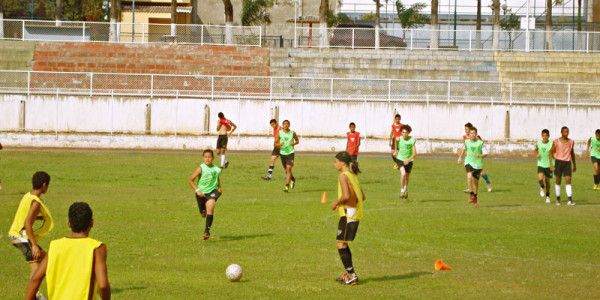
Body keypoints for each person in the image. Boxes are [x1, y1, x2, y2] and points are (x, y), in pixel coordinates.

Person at [25, 202, 111, 300]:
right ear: (91, 223)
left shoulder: (55, 246)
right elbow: (103, 286)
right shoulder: (96, 248)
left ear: (69, 223)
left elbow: (35, 279)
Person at [8, 171, 53, 300]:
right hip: (20, 237)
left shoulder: (28, 195)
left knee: (47, 259)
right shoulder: (36, 202)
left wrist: (38, 217)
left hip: (20, 236)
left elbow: (26, 217)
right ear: (44, 185)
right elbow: (27, 223)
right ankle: (35, 295)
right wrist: (34, 245)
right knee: (36, 266)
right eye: (48, 185)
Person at [331, 151, 365, 286]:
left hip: (348, 214)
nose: (334, 165)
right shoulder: (353, 176)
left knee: (341, 244)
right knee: (342, 243)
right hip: (354, 213)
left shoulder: (343, 176)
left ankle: (352, 276)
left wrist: (336, 203)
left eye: (335, 162)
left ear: (343, 163)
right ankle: (350, 274)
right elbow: (362, 196)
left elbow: (345, 195)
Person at [188, 149, 223, 240]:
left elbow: (216, 177)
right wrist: (197, 190)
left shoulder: (216, 169)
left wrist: (219, 187)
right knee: (203, 213)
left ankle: (206, 232)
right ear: (203, 158)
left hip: (212, 192)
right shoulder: (201, 168)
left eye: (209, 157)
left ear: (213, 158)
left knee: (210, 208)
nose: (207, 159)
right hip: (201, 193)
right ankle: (203, 211)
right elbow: (191, 180)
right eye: (205, 157)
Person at [458, 127, 488, 207]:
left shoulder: (481, 143)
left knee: (476, 182)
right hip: (468, 162)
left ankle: (475, 197)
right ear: (469, 134)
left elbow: (486, 153)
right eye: (471, 133)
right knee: (469, 177)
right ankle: (471, 195)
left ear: (476, 134)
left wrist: (479, 155)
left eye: (473, 133)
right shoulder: (466, 142)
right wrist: (460, 157)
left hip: (477, 164)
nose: (472, 135)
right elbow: (464, 149)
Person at [461, 123, 492, 192]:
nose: (465, 131)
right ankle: (470, 188)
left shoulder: (477, 138)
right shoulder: (465, 137)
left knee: (481, 173)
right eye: (465, 129)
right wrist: (461, 155)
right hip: (470, 159)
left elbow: (480, 146)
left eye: (466, 129)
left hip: (477, 159)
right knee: (469, 173)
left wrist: (479, 156)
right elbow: (465, 147)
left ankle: (488, 181)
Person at [550, 126, 576, 206]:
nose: (566, 133)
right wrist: (551, 164)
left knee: (568, 180)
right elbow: (551, 152)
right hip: (558, 162)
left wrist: (574, 164)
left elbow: (572, 153)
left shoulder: (571, 142)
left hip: (567, 162)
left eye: (567, 132)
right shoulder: (556, 141)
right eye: (564, 131)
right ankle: (558, 199)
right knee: (558, 180)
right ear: (561, 132)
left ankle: (570, 199)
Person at [393, 125, 417, 199]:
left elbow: (415, 153)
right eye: (403, 132)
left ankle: (405, 189)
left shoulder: (411, 140)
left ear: (409, 132)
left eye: (406, 132)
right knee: (403, 174)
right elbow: (395, 141)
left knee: (407, 176)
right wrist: (396, 150)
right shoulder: (399, 138)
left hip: (409, 161)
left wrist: (408, 160)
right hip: (400, 159)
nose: (404, 134)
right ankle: (402, 190)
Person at [276, 120, 299, 192]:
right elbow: (275, 144)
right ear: (282, 125)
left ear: (289, 125)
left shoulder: (293, 133)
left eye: (287, 124)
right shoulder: (279, 133)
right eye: (284, 124)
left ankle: (286, 187)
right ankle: (292, 179)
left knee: (288, 169)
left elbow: (297, 141)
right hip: (282, 153)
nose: (286, 125)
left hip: (290, 153)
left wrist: (294, 143)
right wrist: (279, 144)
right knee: (286, 170)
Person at [534, 129, 554, 203]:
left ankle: (548, 196)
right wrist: (537, 154)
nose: (545, 137)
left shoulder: (551, 144)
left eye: (546, 136)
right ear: (541, 136)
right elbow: (535, 150)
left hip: (549, 165)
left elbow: (554, 152)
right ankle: (542, 187)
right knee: (540, 179)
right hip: (541, 164)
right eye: (543, 136)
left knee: (547, 181)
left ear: (548, 136)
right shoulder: (538, 143)